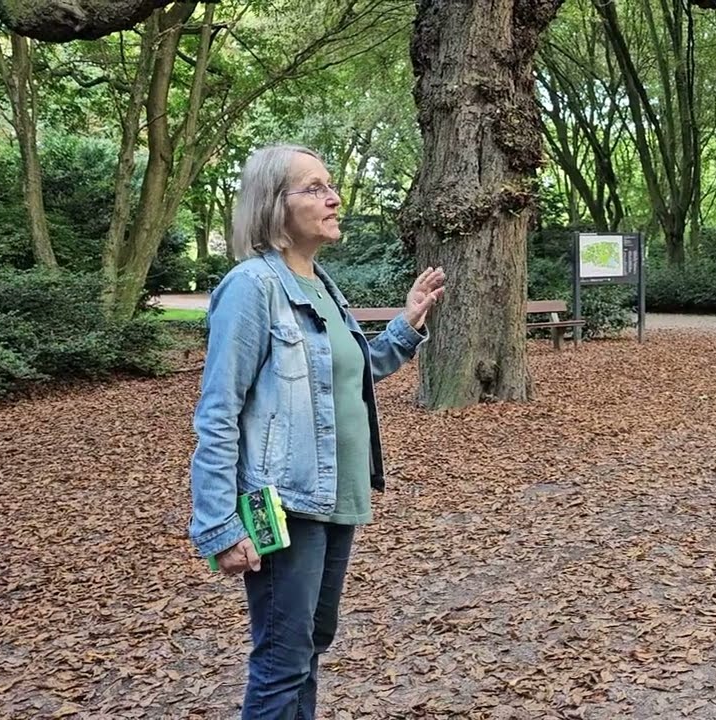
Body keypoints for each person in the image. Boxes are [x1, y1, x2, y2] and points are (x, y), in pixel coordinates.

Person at [188, 144, 446, 719]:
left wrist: (405, 325)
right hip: (285, 504)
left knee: (309, 648)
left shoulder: (323, 286)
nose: (334, 198)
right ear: (273, 204)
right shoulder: (252, 286)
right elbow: (218, 411)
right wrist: (218, 524)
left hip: (336, 498)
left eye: (330, 186)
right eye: (315, 188)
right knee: (282, 662)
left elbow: (350, 373)